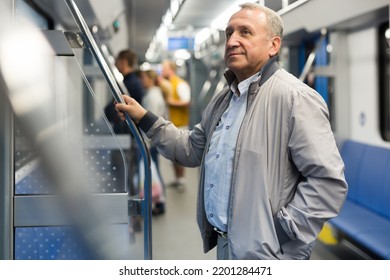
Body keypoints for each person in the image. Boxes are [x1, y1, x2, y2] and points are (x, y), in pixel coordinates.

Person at [115, 3, 348, 259]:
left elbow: (327, 182)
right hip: (226, 246)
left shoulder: (295, 99)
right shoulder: (224, 99)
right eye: (229, 33)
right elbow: (191, 149)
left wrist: (280, 233)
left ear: (273, 45)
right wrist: (146, 119)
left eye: (245, 32)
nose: (232, 40)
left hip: (269, 252)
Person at [138, 69, 168, 215]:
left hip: (151, 141)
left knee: (153, 170)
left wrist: (146, 144)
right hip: (152, 140)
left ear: (151, 79)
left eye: (143, 78)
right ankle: (159, 201)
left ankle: (160, 202)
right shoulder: (152, 94)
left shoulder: (152, 97)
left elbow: (151, 122)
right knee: (154, 169)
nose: (141, 81)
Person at [161, 60, 191, 192]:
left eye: (164, 68)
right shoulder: (167, 84)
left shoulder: (180, 84)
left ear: (171, 70)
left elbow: (186, 102)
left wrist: (169, 102)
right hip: (172, 123)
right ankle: (177, 178)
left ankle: (182, 179)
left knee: (179, 153)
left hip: (180, 125)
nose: (162, 71)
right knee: (173, 154)